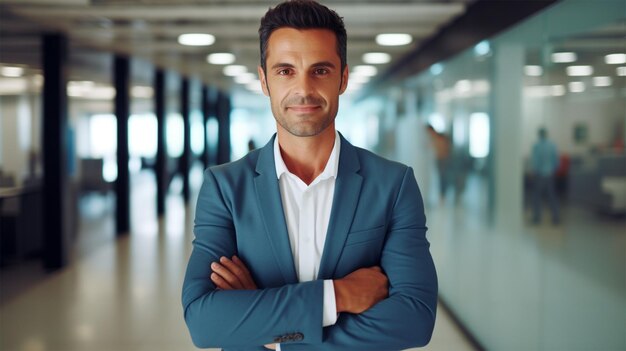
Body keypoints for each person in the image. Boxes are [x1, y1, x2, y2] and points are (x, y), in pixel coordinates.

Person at [182, 1, 437, 350]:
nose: (303, 89)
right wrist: (339, 296)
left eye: (320, 70)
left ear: (343, 78)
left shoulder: (393, 185)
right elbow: (204, 322)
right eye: (285, 70)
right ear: (264, 80)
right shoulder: (225, 187)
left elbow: (414, 320)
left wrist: (273, 335)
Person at [531, 127, 560, 224]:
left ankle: (537, 218)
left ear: (539, 135)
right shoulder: (552, 145)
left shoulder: (537, 146)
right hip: (550, 174)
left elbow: (535, 162)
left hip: (540, 174)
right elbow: (556, 161)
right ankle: (556, 218)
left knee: (537, 197)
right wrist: (552, 171)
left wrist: (535, 171)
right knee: (552, 196)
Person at [425, 124, 451, 203]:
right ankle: (440, 195)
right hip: (438, 160)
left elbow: (445, 149)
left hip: (443, 160)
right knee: (440, 177)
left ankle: (442, 196)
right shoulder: (432, 138)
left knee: (443, 178)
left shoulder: (440, 137)